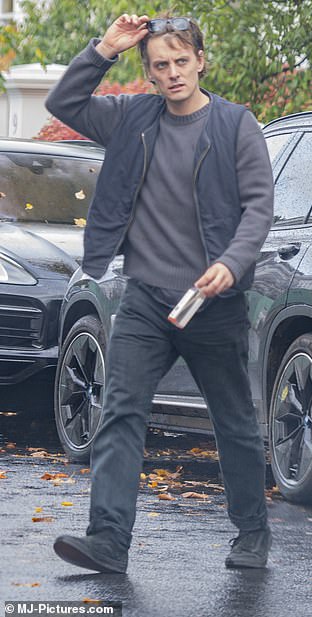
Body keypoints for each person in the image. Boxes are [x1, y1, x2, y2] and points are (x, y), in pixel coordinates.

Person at [46, 13, 274, 572]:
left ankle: (252, 533)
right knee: (120, 411)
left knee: (235, 422)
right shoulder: (132, 118)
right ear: (148, 74)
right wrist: (105, 49)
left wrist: (231, 263)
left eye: (181, 61)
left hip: (212, 302)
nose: (172, 73)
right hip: (145, 297)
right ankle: (108, 541)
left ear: (200, 61)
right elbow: (64, 104)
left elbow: (258, 207)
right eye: (160, 66)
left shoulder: (235, 124)